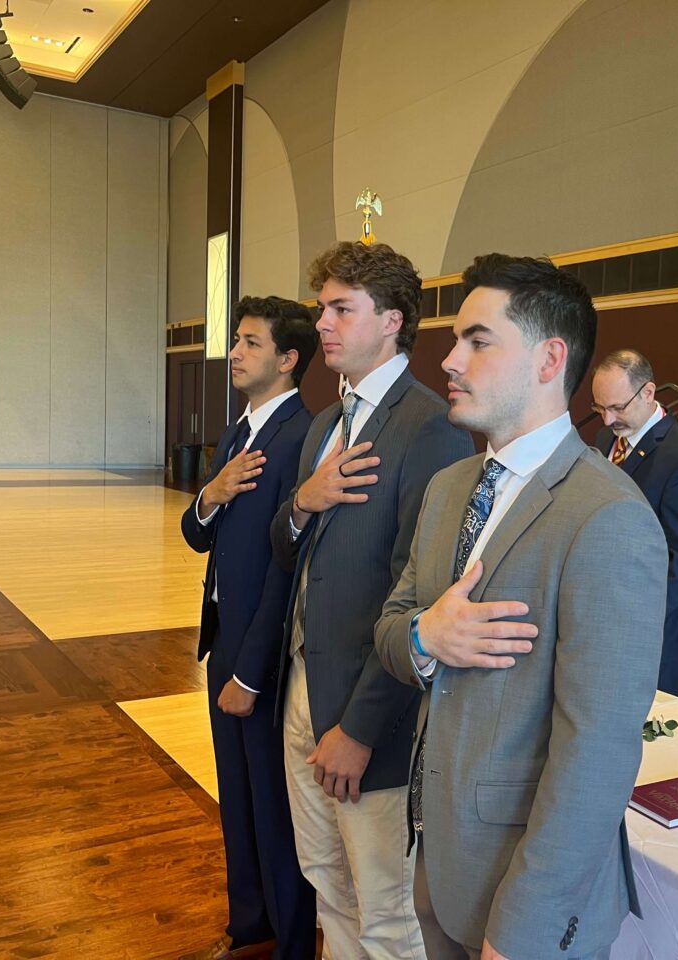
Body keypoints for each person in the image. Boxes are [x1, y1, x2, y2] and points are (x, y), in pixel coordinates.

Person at [376, 254, 666, 960]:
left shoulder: (607, 518)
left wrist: (525, 928)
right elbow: (389, 630)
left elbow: (596, 752)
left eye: (478, 341)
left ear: (548, 359)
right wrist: (425, 637)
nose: (449, 360)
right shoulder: (449, 489)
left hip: (522, 906)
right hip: (439, 866)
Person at [269, 241, 473, 959]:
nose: (321, 323)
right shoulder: (326, 424)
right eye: (321, 308)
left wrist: (360, 728)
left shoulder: (432, 430)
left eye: (340, 309)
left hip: (368, 712)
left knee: (387, 909)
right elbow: (289, 552)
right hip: (303, 687)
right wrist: (300, 501)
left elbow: (418, 601)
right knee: (327, 882)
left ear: (391, 320)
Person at [179, 295, 319, 960]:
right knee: (235, 798)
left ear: (289, 360)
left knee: (271, 804)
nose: (234, 352)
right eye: (236, 340)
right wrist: (213, 492)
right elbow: (196, 536)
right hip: (222, 637)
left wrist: (247, 672)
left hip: (256, 654)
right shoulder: (241, 433)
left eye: (251, 343)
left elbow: (285, 571)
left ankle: (290, 941)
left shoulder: (302, 438)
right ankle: (250, 926)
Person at [591, 350, 678, 693]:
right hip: (599, 615)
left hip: (649, 631)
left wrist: (637, 617)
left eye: (617, 407)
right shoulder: (606, 440)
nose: (606, 420)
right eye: (600, 408)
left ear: (648, 393)